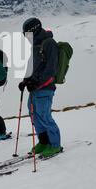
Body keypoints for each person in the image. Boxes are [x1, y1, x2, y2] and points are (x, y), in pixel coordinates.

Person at [19, 17, 62, 158]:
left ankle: (55, 145)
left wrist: (36, 83)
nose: (26, 38)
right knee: (34, 115)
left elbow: (51, 70)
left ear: (34, 31)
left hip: (45, 88)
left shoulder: (49, 43)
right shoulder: (35, 45)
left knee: (44, 116)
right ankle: (43, 142)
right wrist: (25, 80)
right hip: (34, 88)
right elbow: (31, 65)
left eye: (27, 35)